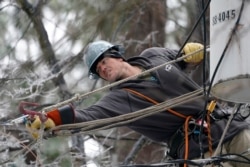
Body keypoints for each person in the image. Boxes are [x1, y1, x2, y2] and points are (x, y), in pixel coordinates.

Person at [26, 40, 250, 167]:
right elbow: (89, 116)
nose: (103, 69)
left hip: (230, 125)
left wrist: (193, 53)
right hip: (200, 150)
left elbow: (184, 57)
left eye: (104, 62)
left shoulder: (154, 56)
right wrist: (54, 118)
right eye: (98, 70)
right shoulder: (120, 99)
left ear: (117, 56)